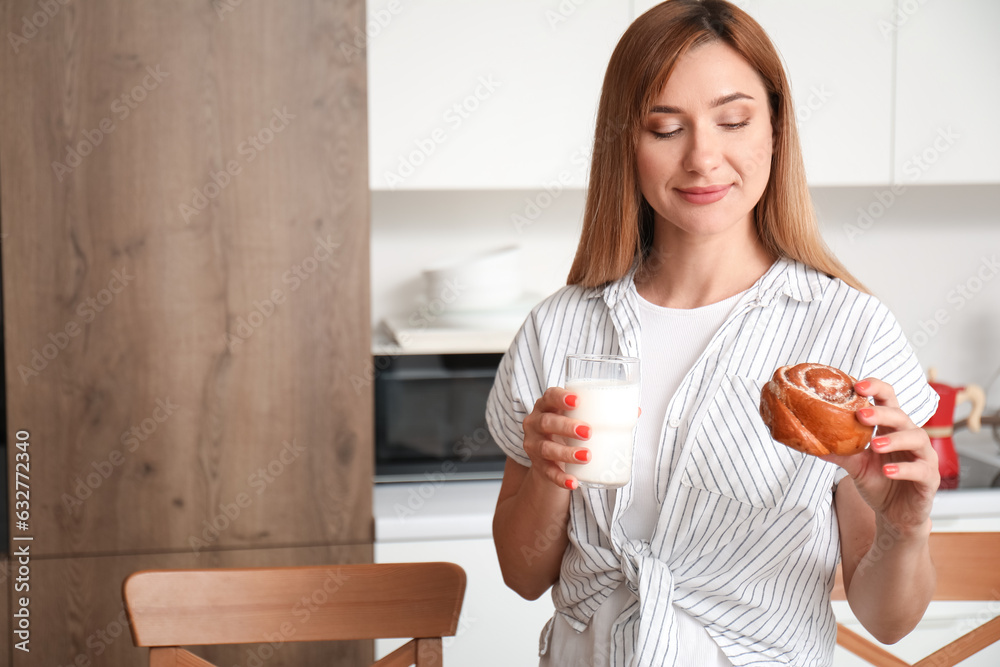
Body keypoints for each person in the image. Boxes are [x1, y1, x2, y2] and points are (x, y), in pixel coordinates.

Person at [486, 1, 941, 665]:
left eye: (733, 121)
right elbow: (523, 575)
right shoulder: (558, 329)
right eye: (666, 127)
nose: (704, 157)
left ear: (776, 130)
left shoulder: (850, 330)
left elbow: (889, 621)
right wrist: (552, 476)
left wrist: (904, 525)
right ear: (626, 143)